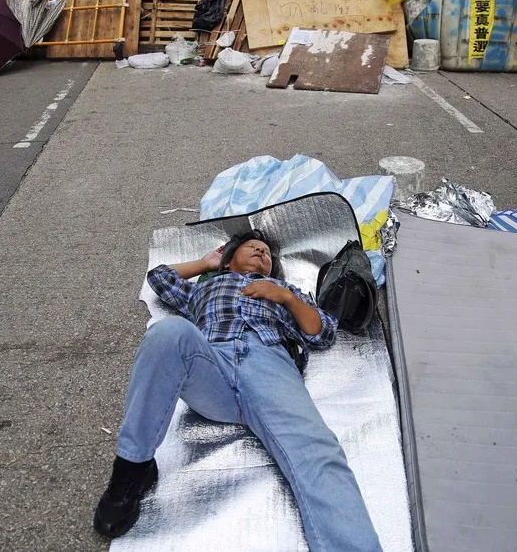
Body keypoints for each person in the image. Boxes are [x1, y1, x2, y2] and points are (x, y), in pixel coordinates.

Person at [92, 231, 381, 551]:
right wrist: (206, 264)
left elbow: (322, 332)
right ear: (229, 259)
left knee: (318, 454)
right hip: (210, 366)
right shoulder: (204, 287)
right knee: (168, 332)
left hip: (269, 365)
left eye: (267, 253)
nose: (261, 252)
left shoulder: (284, 291)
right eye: (252, 248)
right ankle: (133, 469)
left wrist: (284, 297)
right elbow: (159, 278)